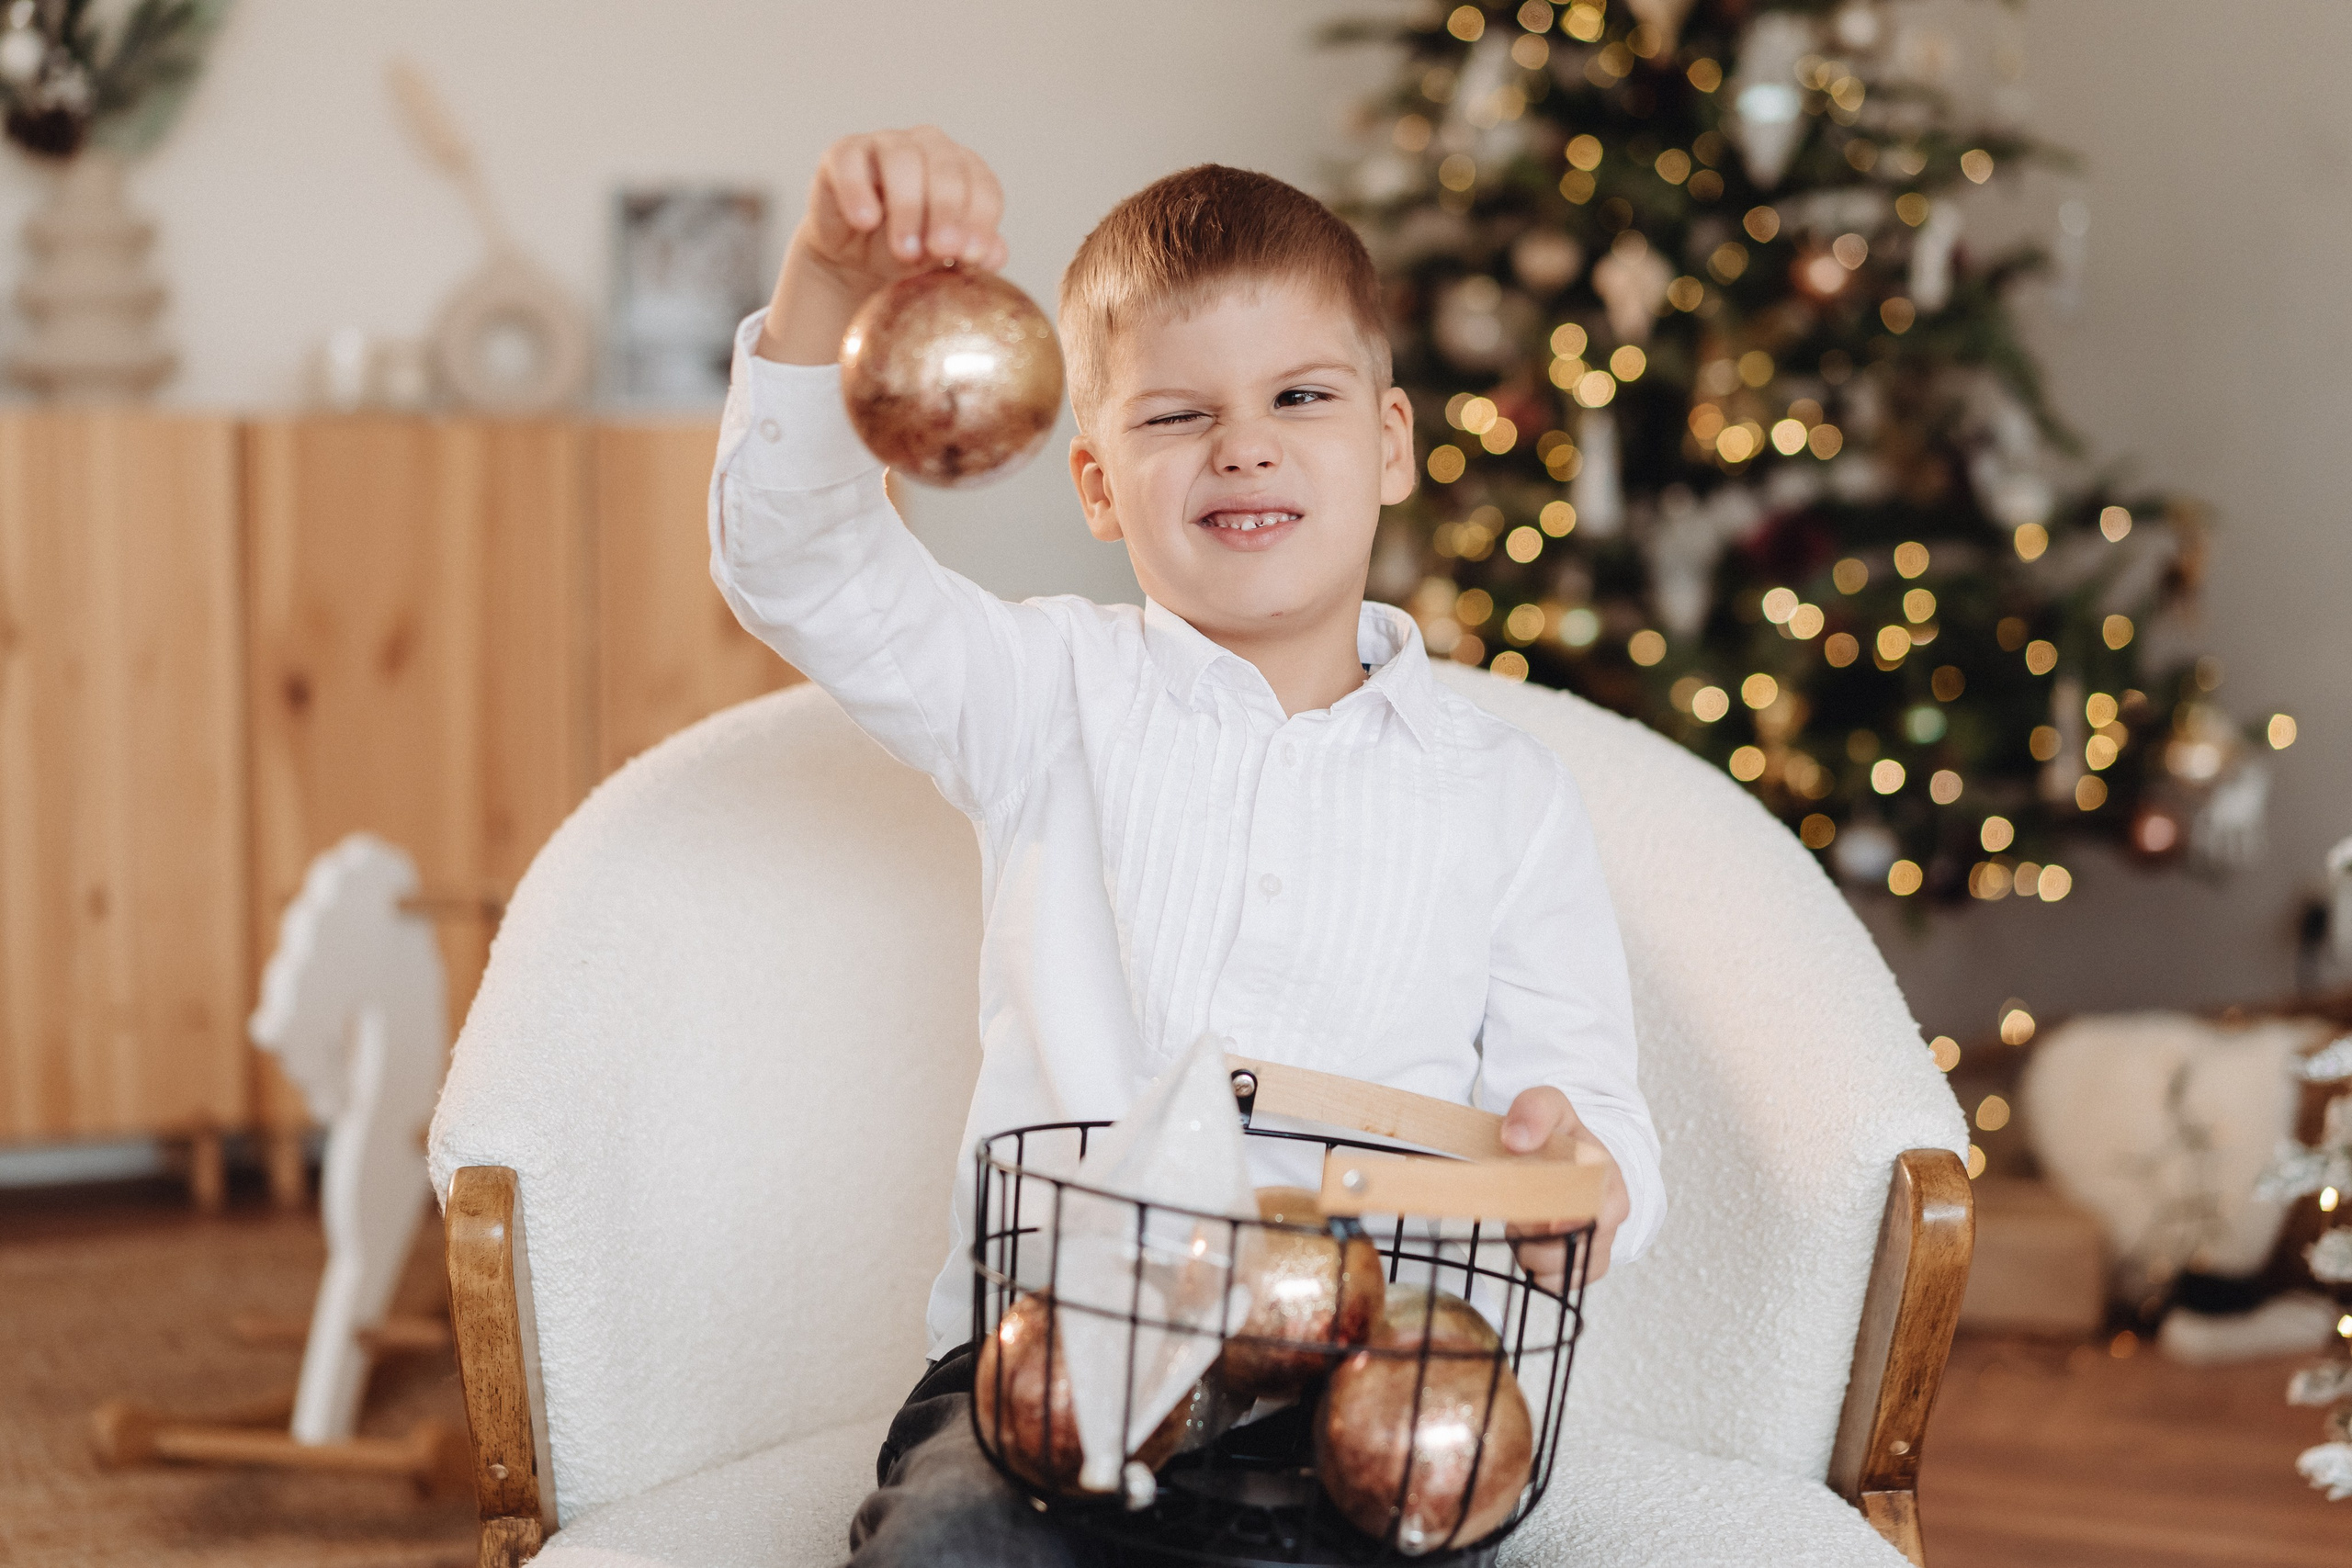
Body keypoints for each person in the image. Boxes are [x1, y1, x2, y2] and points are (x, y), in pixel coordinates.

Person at [708, 125, 1661, 1568]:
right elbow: (799, 566)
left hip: (1370, 1402)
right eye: (1176, 416)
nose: (1244, 443)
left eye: (1300, 395)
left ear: (1390, 443)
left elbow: (1590, 1109)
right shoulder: (1040, 699)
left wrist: (1582, 1181)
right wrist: (832, 284)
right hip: (1047, 1368)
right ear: (1097, 484)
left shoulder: (1506, 793)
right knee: (951, 1545)